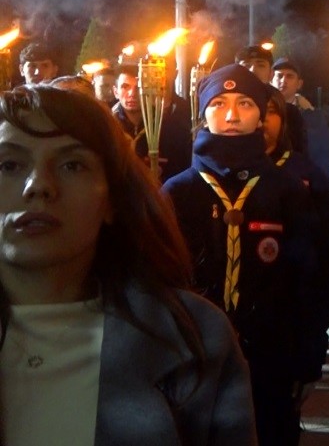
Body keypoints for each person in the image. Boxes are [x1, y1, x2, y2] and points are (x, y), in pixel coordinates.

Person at [0, 85, 256, 444]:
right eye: (9, 165)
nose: (38, 185)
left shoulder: (192, 338)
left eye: (72, 165)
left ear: (112, 200)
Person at [162, 64, 326, 446]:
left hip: (270, 359)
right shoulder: (177, 193)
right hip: (193, 358)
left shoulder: (287, 191)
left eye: (245, 103)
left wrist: (308, 358)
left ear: (261, 113)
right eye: (218, 103)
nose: (232, 115)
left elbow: (309, 279)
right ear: (202, 113)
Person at [263, 86, 329, 339]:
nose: (263, 118)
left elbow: (326, 246)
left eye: (271, 111)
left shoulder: (306, 173)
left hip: (296, 301)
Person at [111, 64, 193, 183]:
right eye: (125, 87)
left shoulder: (167, 126)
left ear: (148, 89)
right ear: (115, 92)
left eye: (139, 88)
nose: (132, 94)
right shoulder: (108, 126)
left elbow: (182, 169)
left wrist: (162, 174)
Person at [272, 57, 329, 180]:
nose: (283, 80)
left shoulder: (313, 117)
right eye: (279, 76)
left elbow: (324, 157)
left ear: (299, 84)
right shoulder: (260, 113)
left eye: (289, 76)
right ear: (271, 79)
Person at [236, 46, 307, 153]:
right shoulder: (224, 110)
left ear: (271, 74)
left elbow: (299, 157)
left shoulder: (289, 113)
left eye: (260, 65)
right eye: (246, 65)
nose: (252, 70)